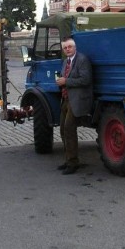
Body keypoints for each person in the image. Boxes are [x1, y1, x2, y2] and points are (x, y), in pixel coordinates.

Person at [55, 36, 93, 175]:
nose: (67, 49)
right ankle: (68, 159)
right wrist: (60, 81)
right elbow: (64, 77)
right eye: (65, 47)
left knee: (69, 129)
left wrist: (66, 81)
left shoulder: (82, 60)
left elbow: (86, 79)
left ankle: (73, 163)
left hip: (78, 100)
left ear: (75, 47)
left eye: (69, 46)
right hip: (66, 99)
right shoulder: (66, 61)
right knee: (63, 130)